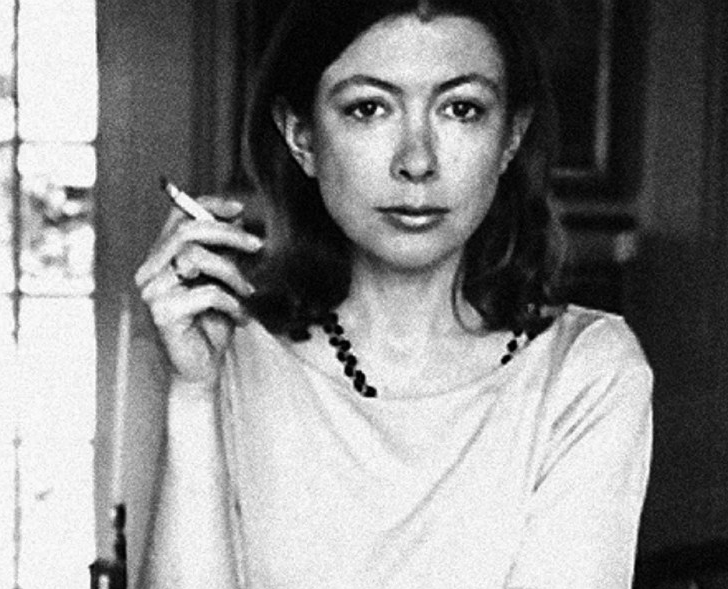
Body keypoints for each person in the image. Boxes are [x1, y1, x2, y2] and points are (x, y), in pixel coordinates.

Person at [133, 0, 653, 586]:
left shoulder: (586, 370)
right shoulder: (216, 350)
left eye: (461, 109)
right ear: (301, 137)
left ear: (510, 137)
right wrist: (194, 395)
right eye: (369, 108)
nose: (417, 161)